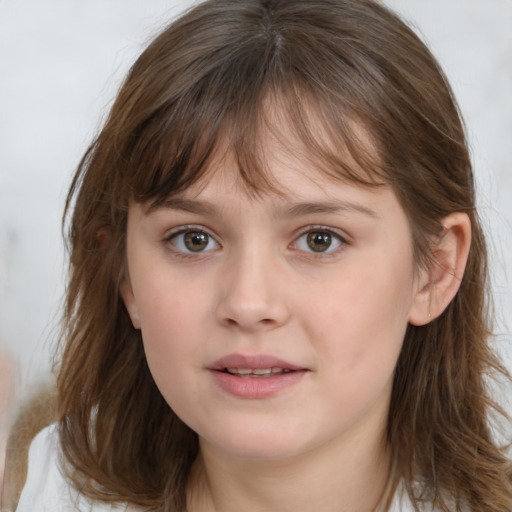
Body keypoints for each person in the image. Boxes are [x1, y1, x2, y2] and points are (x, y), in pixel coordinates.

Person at [14, 0, 512, 510]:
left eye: (320, 239)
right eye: (193, 239)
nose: (249, 303)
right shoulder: (61, 487)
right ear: (124, 275)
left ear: (434, 270)